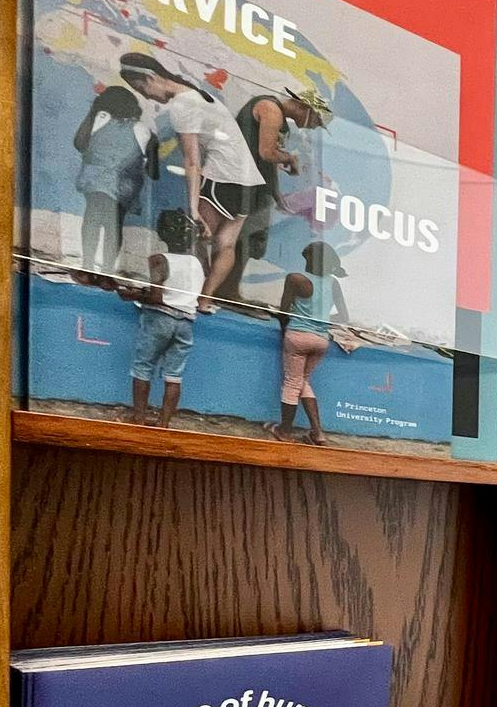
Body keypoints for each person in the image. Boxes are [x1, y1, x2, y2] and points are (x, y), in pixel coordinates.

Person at [118, 52, 262, 314]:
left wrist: (193, 209)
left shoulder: (182, 104)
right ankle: (205, 300)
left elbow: (192, 161)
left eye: (142, 88)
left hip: (223, 176)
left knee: (197, 237)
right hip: (248, 180)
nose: (147, 96)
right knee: (226, 244)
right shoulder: (201, 96)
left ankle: (194, 299)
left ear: (151, 78)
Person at [219, 86, 334, 305]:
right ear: (305, 107)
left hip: (256, 186)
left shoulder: (279, 116)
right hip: (243, 184)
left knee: (252, 239)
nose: (311, 127)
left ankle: (230, 289)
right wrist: (290, 159)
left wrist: (276, 192)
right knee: (243, 237)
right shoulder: (270, 109)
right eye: (315, 121)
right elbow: (267, 152)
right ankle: (226, 290)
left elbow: (268, 161)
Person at [123, 209, 201, 428]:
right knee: (174, 376)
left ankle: (138, 418)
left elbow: (156, 297)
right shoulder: (197, 263)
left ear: (162, 233)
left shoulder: (159, 260)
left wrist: (132, 294)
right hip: (186, 323)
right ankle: (164, 424)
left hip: (160, 319)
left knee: (142, 367)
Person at [71, 85, 155, 278]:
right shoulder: (141, 128)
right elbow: (151, 167)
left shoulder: (101, 119)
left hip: (96, 180)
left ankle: (87, 265)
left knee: (91, 219)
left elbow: (79, 143)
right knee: (114, 226)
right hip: (124, 185)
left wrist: (92, 112)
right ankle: (107, 272)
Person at [270, 241, 348, 444]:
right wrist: (320, 320)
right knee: (302, 381)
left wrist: (286, 329)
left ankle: (284, 431)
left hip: (298, 336)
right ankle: (318, 432)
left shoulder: (296, 279)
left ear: (307, 259)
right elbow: (343, 316)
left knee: (292, 383)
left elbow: (284, 312)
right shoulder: (333, 283)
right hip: (321, 341)